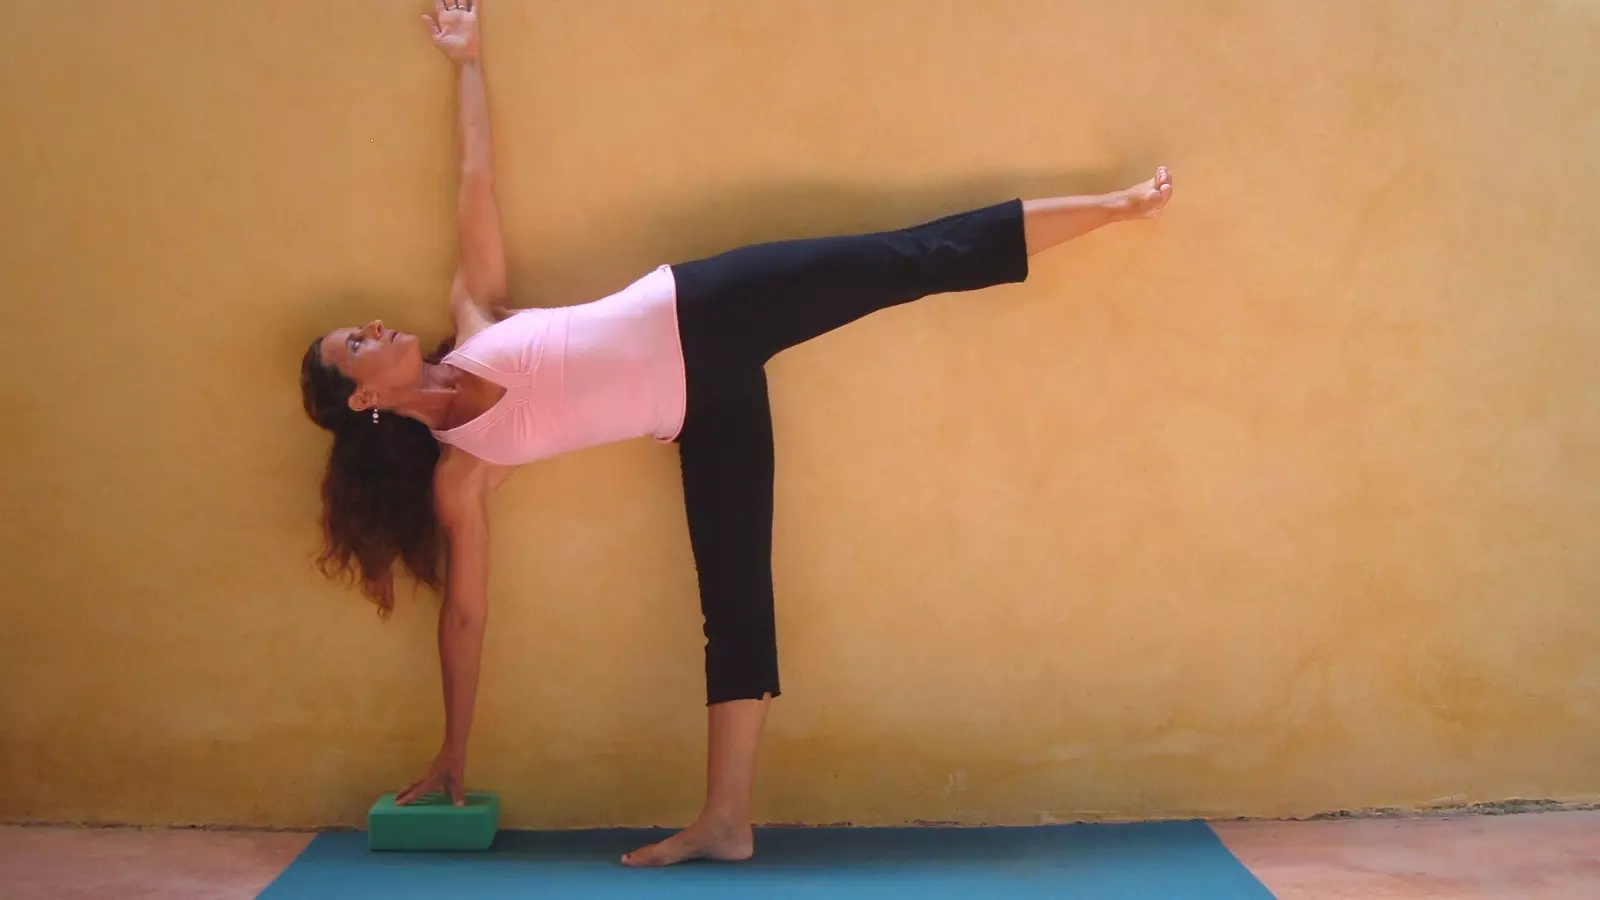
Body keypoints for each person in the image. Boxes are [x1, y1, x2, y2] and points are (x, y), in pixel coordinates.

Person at [299, 0, 1173, 868]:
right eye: (356, 344)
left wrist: (469, 62)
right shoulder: (464, 472)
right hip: (697, 415)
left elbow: (475, 178)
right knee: (737, 606)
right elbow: (465, 616)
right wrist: (455, 748)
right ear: (365, 403)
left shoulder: (473, 313)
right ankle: (725, 821)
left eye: (360, 327)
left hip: (707, 305)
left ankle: (1119, 205)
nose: (373, 327)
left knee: (909, 259)